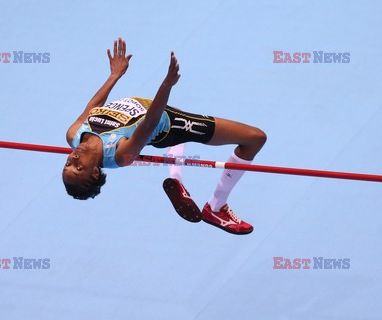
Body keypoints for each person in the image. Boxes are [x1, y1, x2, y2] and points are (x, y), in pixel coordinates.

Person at [63, 38, 266, 235]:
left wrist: (115, 75)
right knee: (255, 138)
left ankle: (176, 176)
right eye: (79, 168)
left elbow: (92, 108)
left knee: (186, 136)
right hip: (170, 123)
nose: (73, 159)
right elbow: (150, 123)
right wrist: (167, 85)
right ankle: (216, 206)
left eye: (67, 165)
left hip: (154, 108)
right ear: (95, 173)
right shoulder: (119, 154)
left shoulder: (73, 135)